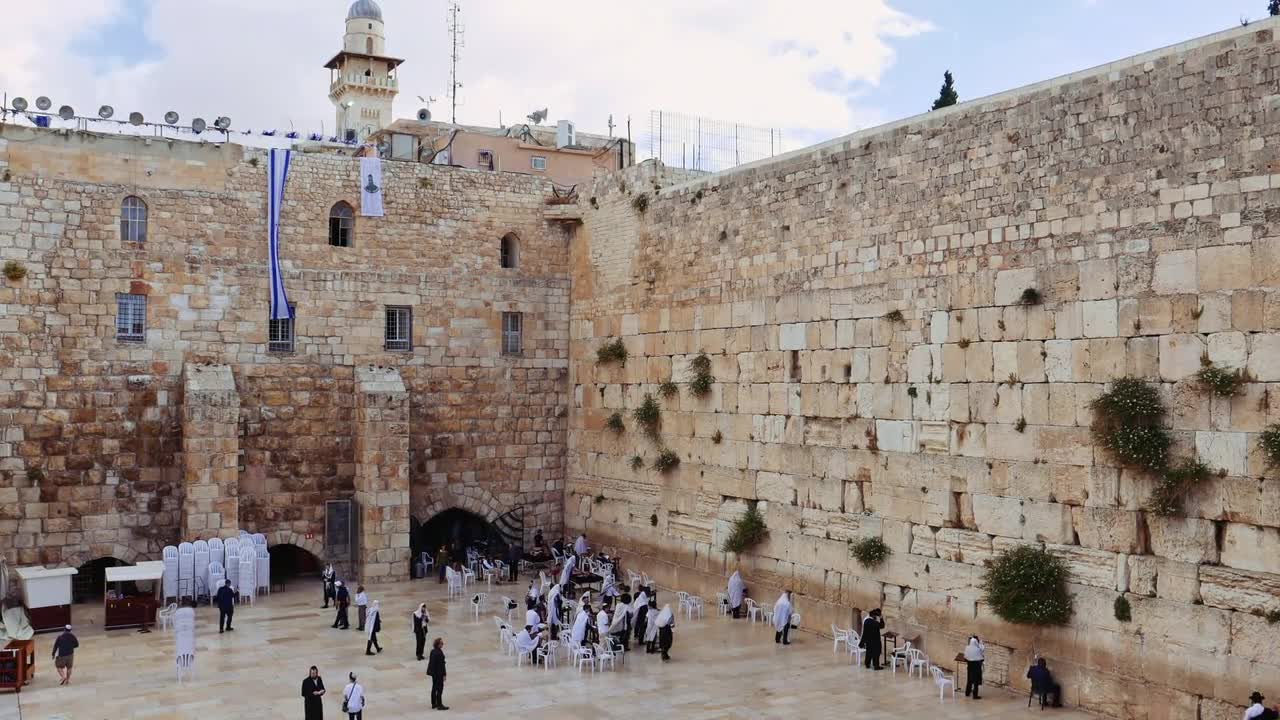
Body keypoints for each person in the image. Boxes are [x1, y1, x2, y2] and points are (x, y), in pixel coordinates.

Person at [427, 637, 448, 710]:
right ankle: (439, 704)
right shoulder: (439, 652)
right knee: (439, 689)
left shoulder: (433, 651)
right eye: (441, 643)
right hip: (439, 674)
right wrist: (444, 674)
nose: (443, 644)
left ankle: (433, 703)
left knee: (434, 687)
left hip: (434, 673)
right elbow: (441, 665)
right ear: (438, 644)